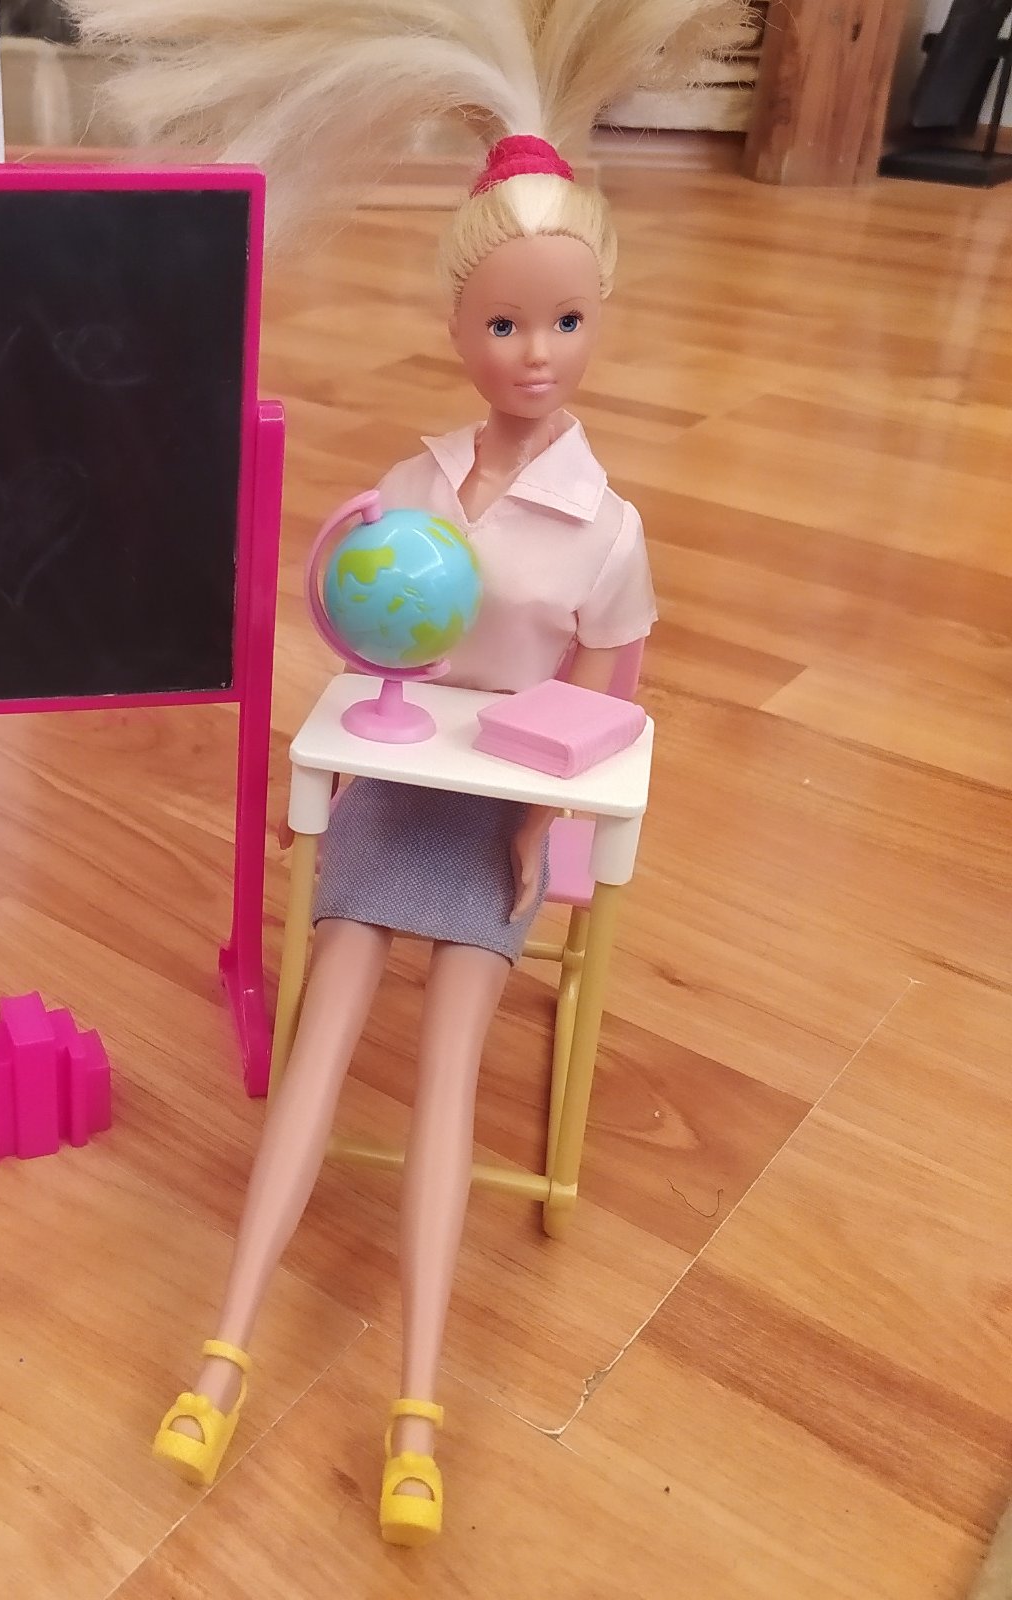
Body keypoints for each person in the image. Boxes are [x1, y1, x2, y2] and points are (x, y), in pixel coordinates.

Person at [72, 0, 741, 1547]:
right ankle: (224, 1352)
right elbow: (360, 624)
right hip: (393, 776)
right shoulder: (411, 485)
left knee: (450, 1067)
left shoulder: (610, 530)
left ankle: (419, 1404)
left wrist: (548, 834)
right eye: (506, 326)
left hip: (504, 812)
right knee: (328, 1025)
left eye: (564, 322)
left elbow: (612, 696)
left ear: (601, 319)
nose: (535, 355)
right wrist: (337, 744)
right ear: (459, 326)